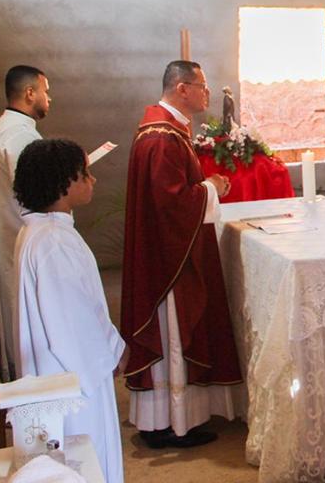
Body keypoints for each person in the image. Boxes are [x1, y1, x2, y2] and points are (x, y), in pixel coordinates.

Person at [120, 61, 243, 449]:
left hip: (165, 253)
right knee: (171, 333)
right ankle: (170, 423)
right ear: (181, 88)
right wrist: (212, 187)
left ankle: (169, 418)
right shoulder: (162, 138)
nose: (208, 93)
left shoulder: (165, 130)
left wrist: (204, 186)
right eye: (202, 86)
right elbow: (172, 205)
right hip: (168, 263)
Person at [12, 139, 126, 483]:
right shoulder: (53, 241)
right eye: (85, 174)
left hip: (58, 372)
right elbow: (72, 323)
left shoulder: (42, 231)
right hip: (72, 381)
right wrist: (114, 352)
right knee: (85, 456)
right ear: (64, 182)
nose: (93, 180)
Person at [0, 65, 51, 379]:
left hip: (15, 236)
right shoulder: (19, 135)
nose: (49, 98)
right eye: (46, 91)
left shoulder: (9, 127)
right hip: (23, 240)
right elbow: (35, 193)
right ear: (29, 93)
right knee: (29, 321)